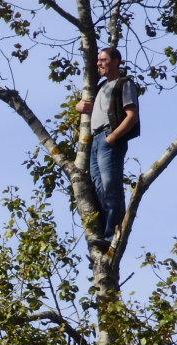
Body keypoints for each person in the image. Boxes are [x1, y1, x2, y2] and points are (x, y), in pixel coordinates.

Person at [76, 47, 140, 247]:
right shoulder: (100, 86)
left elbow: (132, 116)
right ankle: (105, 232)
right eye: (98, 60)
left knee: (110, 185)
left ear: (116, 61)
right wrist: (79, 106)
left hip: (108, 137)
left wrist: (111, 138)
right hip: (94, 139)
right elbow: (85, 104)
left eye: (103, 59)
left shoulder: (124, 83)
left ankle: (112, 235)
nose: (99, 63)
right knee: (98, 187)